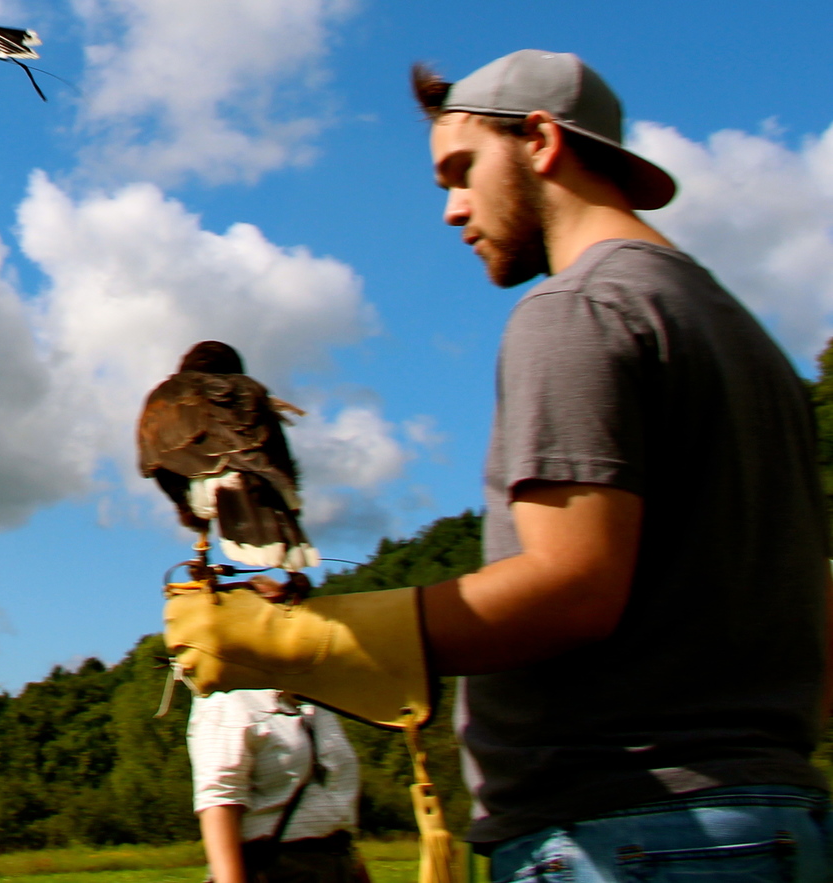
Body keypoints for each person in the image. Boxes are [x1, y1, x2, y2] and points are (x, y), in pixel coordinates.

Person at [166, 49, 830, 883]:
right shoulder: (752, 346)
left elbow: (575, 586)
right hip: (779, 821)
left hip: (625, 836)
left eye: (462, 170)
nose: (451, 209)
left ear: (542, 141)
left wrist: (299, 637)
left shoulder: (579, 309)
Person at [189, 687, 367, 883]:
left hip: (339, 865)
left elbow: (334, 811)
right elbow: (219, 803)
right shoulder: (227, 699)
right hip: (277, 870)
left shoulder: (316, 700)